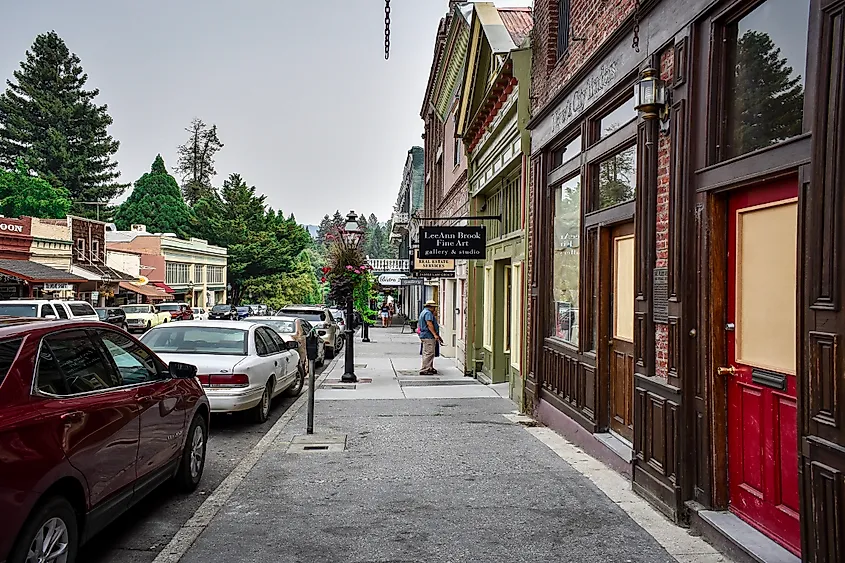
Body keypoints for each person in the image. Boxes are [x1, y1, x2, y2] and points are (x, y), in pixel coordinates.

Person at [418, 299, 443, 375]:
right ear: (430, 307)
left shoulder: (423, 312)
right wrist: (435, 335)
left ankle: (429, 367)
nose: (435, 309)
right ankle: (425, 369)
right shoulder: (428, 313)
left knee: (429, 352)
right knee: (429, 352)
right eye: (434, 307)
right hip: (428, 336)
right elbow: (429, 324)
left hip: (425, 335)